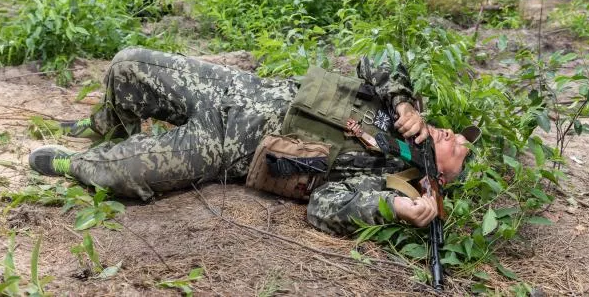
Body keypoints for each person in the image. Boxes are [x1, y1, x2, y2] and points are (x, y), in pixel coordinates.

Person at [29, 48, 479, 236]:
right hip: (234, 89)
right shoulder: (403, 110)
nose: (453, 134)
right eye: (457, 133)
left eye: (457, 146)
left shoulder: (386, 180)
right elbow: (376, 61)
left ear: (437, 174)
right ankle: (107, 125)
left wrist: (394, 207)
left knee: (117, 174)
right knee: (127, 65)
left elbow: (323, 209)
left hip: (222, 148)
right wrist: (403, 101)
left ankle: (75, 162)